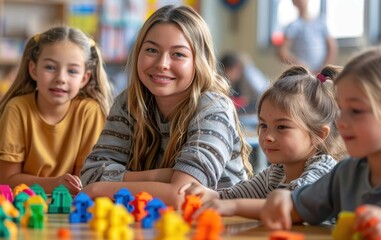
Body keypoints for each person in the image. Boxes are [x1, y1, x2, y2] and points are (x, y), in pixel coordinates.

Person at [80, 5, 253, 208]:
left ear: (199, 61)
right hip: (155, 223)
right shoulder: (129, 102)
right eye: (152, 50)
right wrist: (168, 176)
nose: (162, 63)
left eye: (178, 54)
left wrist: (101, 189)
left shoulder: (213, 108)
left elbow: (183, 196)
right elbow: (92, 173)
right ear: (138, 53)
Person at [179, 65, 347, 219]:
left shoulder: (325, 170)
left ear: (319, 133)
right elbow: (232, 195)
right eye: (263, 125)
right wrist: (208, 194)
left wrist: (234, 207)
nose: (268, 136)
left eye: (282, 127)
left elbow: (291, 207)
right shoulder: (275, 173)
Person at [260, 48, 381, 240]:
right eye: (341, 109)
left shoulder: (326, 168)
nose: (341, 122)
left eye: (356, 110)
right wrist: (226, 204)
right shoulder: (347, 172)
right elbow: (295, 207)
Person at [0, 26, 113, 195]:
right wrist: (55, 184)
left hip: (71, 207)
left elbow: (81, 183)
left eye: (72, 71)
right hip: (21, 205)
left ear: (84, 78)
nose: (60, 78)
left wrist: (60, 185)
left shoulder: (89, 112)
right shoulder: (17, 109)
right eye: (50, 67)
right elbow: (6, 181)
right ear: (33, 70)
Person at [277, 0, 337, 74]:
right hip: (303, 74)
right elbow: (281, 51)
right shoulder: (293, 26)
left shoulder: (321, 22)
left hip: (321, 72)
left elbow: (332, 47)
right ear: (293, 2)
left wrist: (323, 68)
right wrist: (299, 65)